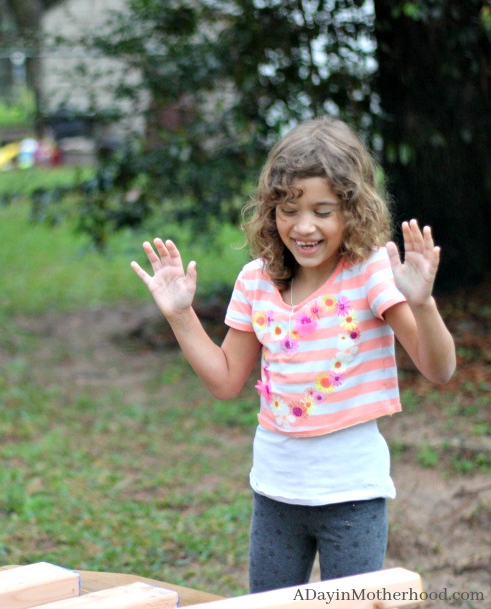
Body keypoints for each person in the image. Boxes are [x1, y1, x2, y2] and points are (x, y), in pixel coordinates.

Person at [131, 116, 455, 593]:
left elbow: (439, 367)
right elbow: (224, 381)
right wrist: (180, 315)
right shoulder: (255, 282)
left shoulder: (369, 275)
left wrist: (422, 302)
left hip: (353, 495)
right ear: (270, 210)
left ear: (353, 211)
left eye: (323, 211)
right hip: (275, 493)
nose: (304, 227)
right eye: (288, 209)